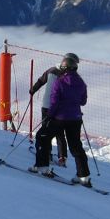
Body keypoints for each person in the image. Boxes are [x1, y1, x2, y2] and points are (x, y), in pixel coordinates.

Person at [29, 54, 91, 186]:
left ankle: (42, 166)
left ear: (64, 68)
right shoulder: (81, 83)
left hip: (59, 118)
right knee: (75, 146)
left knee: (42, 137)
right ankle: (83, 175)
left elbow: (54, 101)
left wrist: (50, 115)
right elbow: (83, 101)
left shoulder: (60, 81)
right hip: (75, 119)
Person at [29, 52, 78, 167]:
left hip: (46, 106)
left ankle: (47, 154)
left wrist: (32, 90)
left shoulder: (51, 70)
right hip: (58, 109)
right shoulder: (68, 75)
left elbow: (41, 81)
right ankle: (62, 157)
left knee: (46, 131)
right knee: (59, 132)